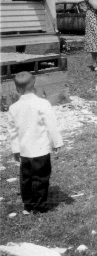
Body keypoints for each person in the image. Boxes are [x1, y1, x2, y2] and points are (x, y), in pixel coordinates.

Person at [6, 72, 63, 214]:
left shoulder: (14, 108)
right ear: (35, 84)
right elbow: (51, 125)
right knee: (40, 178)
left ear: (17, 89)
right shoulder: (42, 104)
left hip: (25, 151)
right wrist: (56, 143)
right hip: (41, 150)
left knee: (26, 179)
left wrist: (15, 149)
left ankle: (28, 205)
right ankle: (39, 207)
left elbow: (12, 132)